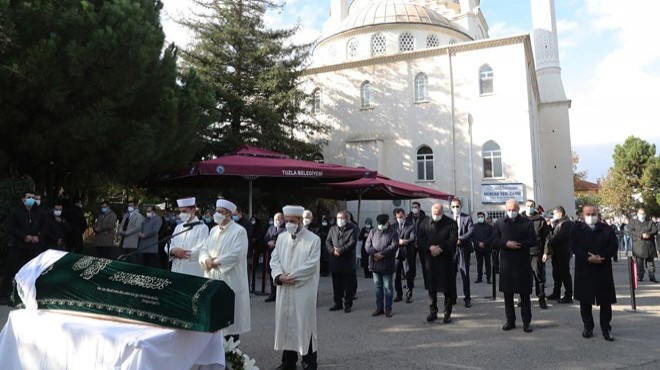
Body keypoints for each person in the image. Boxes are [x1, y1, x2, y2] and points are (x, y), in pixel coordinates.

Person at [270, 205, 321, 370]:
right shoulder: (281, 238)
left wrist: (292, 277)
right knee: (287, 322)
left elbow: (311, 266)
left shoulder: (313, 239)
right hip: (284, 287)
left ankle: (309, 362)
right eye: (287, 221)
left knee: (305, 324)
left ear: (300, 220)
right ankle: (288, 361)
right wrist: (279, 276)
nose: (289, 224)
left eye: (292, 221)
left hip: (303, 289)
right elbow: (274, 260)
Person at [200, 199, 250, 341]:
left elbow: (236, 254)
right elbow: (204, 249)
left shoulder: (239, 231)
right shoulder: (213, 230)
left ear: (229, 214)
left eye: (220, 212)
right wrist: (206, 260)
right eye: (216, 211)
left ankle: (231, 356)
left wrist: (215, 262)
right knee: (214, 320)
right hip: (212, 278)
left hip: (229, 279)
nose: (217, 214)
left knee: (230, 322)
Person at [570, 204, 618, 341]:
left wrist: (601, 256)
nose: (591, 217)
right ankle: (588, 327)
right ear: (582, 215)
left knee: (605, 300)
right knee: (585, 300)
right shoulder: (577, 229)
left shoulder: (606, 229)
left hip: (602, 267)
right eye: (588, 214)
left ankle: (606, 328)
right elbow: (573, 246)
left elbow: (613, 245)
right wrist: (587, 257)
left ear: (597, 214)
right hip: (584, 267)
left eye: (593, 214)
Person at [493, 199, 536, 333]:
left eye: (514, 210)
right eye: (509, 210)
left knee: (524, 295)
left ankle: (526, 322)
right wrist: (506, 244)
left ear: (518, 209)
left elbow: (532, 240)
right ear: (506, 210)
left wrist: (519, 244)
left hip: (522, 262)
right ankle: (510, 320)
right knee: (508, 294)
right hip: (506, 264)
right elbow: (494, 241)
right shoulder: (500, 223)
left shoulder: (527, 223)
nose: (511, 212)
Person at [0, 191, 47, 305]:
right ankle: (4, 296)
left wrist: (38, 236)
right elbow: (11, 227)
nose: (31, 199)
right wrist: (24, 236)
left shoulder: (40, 212)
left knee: (33, 272)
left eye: (33, 197)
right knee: (11, 271)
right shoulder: (15, 211)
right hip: (18, 247)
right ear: (23, 199)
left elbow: (45, 226)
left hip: (34, 247)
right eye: (29, 197)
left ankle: (31, 296)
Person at [418, 202, 457, 323]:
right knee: (431, 288)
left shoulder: (451, 223)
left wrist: (440, 248)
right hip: (431, 261)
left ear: (442, 212)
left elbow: (453, 239)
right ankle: (433, 312)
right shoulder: (424, 223)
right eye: (434, 214)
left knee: (447, 289)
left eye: (438, 214)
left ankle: (447, 313)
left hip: (445, 260)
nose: (436, 216)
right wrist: (430, 247)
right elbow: (420, 239)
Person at [166, 197, 209, 276]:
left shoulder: (203, 228)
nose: (181, 214)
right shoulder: (178, 227)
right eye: (180, 211)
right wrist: (173, 250)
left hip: (191, 270)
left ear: (193, 210)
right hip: (176, 268)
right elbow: (169, 244)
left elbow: (201, 248)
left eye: (184, 211)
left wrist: (182, 254)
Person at [366, 214, 398, 318]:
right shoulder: (372, 232)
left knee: (388, 287)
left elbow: (394, 246)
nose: (381, 226)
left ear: (388, 222)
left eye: (383, 224)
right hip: (375, 264)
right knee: (378, 287)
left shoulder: (393, 233)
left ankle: (388, 309)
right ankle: (379, 308)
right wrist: (374, 254)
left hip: (387, 265)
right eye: (379, 224)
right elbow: (367, 245)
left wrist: (382, 254)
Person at [326, 210, 358, 313]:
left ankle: (348, 304)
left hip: (347, 261)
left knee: (348, 285)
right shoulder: (333, 229)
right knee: (336, 284)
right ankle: (338, 303)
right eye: (338, 218)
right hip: (335, 260)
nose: (340, 220)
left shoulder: (353, 229)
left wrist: (340, 250)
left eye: (342, 218)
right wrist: (332, 251)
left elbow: (352, 243)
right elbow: (328, 241)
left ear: (347, 219)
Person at [522, 199, 550, 309]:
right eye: (528, 205)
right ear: (525, 206)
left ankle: (541, 298)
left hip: (536, 252)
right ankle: (523, 298)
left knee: (539, 277)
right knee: (523, 277)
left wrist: (545, 252)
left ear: (534, 207)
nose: (529, 207)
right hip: (523, 252)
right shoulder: (520, 219)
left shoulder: (541, 220)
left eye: (531, 206)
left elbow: (547, 238)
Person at [544, 206, 574, 303]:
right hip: (556, 253)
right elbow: (553, 234)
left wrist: (549, 242)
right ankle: (556, 292)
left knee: (564, 274)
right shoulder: (558, 223)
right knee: (556, 274)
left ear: (560, 213)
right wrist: (549, 226)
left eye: (555, 213)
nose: (553, 215)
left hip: (563, 252)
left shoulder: (567, 223)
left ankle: (568, 295)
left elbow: (559, 237)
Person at [450, 198, 474, 308]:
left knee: (465, 274)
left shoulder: (467, 217)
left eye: (457, 206)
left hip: (463, 249)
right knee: (451, 275)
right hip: (452, 250)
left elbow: (471, 231)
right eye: (453, 206)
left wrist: (461, 238)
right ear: (451, 207)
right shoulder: (448, 220)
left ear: (460, 206)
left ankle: (467, 299)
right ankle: (453, 297)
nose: (455, 208)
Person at [391, 208, 416, 303]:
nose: (399, 219)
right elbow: (391, 238)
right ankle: (399, 294)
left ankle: (409, 294)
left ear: (405, 215)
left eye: (401, 217)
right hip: (396, 254)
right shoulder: (393, 226)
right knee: (396, 276)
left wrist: (404, 242)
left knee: (408, 274)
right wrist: (398, 242)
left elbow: (413, 238)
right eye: (397, 217)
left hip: (407, 253)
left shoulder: (410, 226)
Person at [629, 208, 658, 282]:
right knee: (639, 263)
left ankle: (652, 276)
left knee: (650, 263)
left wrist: (648, 234)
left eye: (643, 213)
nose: (642, 215)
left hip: (649, 245)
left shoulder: (650, 221)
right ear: (637, 214)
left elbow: (655, 230)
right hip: (638, 245)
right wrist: (641, 235)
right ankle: (640, 276)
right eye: (640, 213)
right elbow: (631, 231)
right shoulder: (633, 222)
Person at [406, 201, 428, 289]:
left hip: (421, 243)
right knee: (410, 264)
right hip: (411, 243)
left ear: (419, 208)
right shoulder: (408, 218)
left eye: (416, 207)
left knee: (425, 264)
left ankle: (427, 282)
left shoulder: (425, 218)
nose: (414, 209)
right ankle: (410, 283)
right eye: (413, 207)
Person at [265, 212, 286, 302]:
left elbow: (285, 240)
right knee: (271, 273)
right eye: (275, 219)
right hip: (270, 253)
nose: (277, 221)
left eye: (278, 219)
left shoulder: (285, 229)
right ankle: (273, 294)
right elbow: (266, 237)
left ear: (283, 219)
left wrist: (276, 243)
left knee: (280, 273)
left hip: (281, 255)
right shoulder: (271, 228)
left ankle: (280, 295)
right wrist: (268, 242)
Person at [472, 211, 493, 284]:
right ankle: (479, 278)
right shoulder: (474, 226)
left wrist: (484, 243)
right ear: (477, 218)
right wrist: (478, 243)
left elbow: (491, 237)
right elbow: (472, 237)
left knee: (488, 263)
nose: (480, 218)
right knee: (479, 264)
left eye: (482, 217)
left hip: (487, 248)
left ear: (484, 217)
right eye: (479, 217)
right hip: (478, 248)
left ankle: (488, 278)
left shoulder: (489, 226)